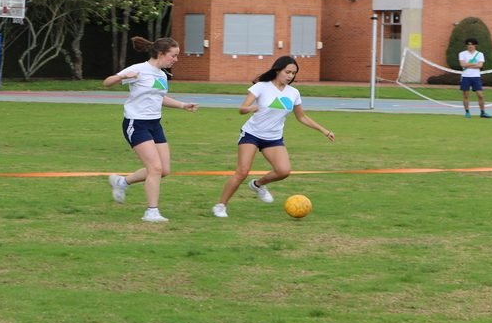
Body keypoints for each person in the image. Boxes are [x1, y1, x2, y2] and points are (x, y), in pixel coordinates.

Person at [212, 56, 335, 218]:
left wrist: (324, 130)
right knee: (242, 172)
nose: (290, 76)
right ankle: (220, 206)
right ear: (278, 70)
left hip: (273, 138)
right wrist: (251, 108)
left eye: (293, 73)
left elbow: (302, 117)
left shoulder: (293, 93)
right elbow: (242, 109)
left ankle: (258, 185)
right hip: (252, 134)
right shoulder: (261, 87)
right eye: (287, 72)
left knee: (284, 171)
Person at [104, 36, 198, 223]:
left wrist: (182, 105)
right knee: (154, 168)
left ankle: (122, 182)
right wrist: (123, 76)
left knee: (164, 170)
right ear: (161, 54)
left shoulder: (162, 75)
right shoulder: (138, 69)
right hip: (136, 124)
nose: (176, 60)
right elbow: (107, 82)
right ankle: (151, 212)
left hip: (155, 125)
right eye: (174, 55)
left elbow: (159, 97)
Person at [458, 38, 492, 118]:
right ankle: (467, 112)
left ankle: (482, 112)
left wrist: (468, 64)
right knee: (466, 95)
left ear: (475, 45)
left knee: (480, 95)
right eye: (468, 44)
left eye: (472, 44)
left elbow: (480, 65)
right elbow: (462, 64)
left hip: (476, 77)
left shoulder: (480, 54)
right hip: (466, 76)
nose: (470, 46)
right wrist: (474, 64)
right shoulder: (462, 54)